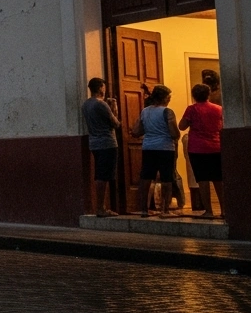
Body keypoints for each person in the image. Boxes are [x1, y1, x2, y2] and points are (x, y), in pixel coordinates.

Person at [131, 85, 180, 217]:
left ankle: (144, 209)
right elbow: (174, 133)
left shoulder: (145, 111)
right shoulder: (168, 112)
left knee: (146, 178)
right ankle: (165, 210)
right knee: (166, 178)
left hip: (148, 147)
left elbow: (136, 131)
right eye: (168, 97)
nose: (169, 99)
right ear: (164, 97)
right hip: (165, 148)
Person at [179, 83, 224, 218]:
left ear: (194, 95)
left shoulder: (192, 109)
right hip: (216, 146)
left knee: (203, 179)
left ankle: (209, 211)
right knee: (218, 179)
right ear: (208, 94)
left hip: (197, 148)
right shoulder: (219, 109)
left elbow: (182, 126)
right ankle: (224, 211)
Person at [82, 77, 121, 217]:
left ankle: (101, 207)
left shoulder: (86, 105)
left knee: (100, 173)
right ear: (100, 88)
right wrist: (114, 108)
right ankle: (101, 207)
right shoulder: (101, 105)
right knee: (104, 175)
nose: (105, 90)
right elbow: (115, 123)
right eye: (103, 87)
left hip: (94, 143)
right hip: (107, 142)